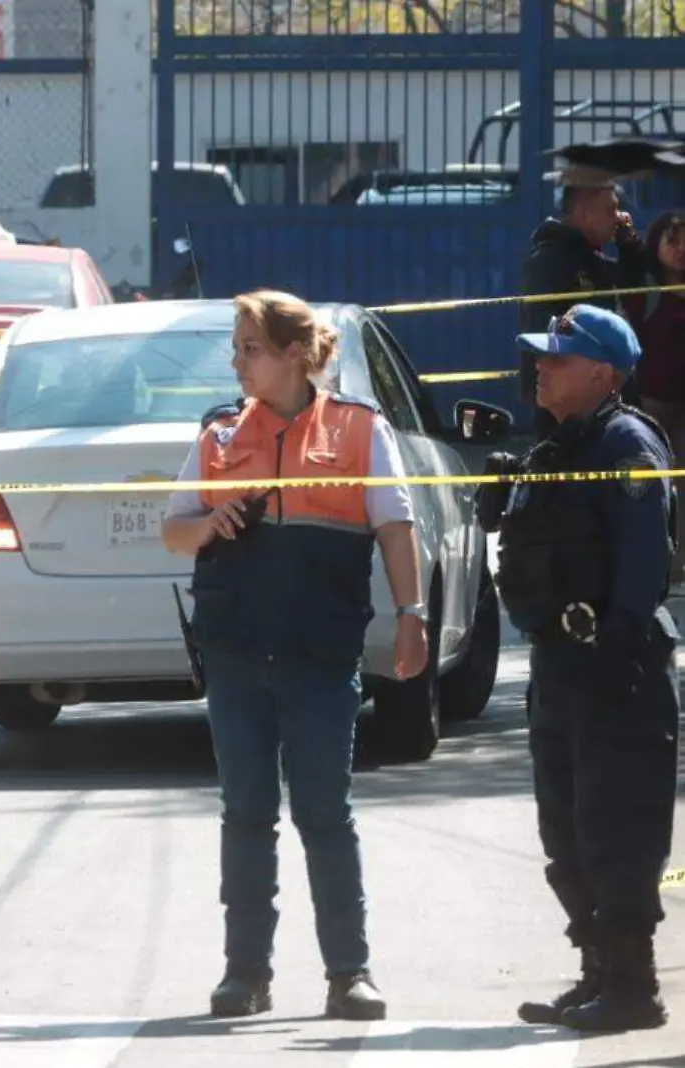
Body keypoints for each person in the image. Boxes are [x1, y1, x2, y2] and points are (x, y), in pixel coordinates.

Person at [160, 290, 428, 1021]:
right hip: (237, 653)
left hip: (319, 655)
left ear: (294, 355)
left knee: (324, 814)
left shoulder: (357, 429)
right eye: (237, 347)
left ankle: (350, 973)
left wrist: (413, 616)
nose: (237, 361)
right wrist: (209, 523)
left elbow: (396, 529)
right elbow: (172, 532)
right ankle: (245, 974)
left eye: (250, 347)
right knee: (245, 813)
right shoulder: (218, 435)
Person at [478, 305, 679, 1033]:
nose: (541, 368)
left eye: (558, 359)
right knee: (564, 831)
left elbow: (644, 558)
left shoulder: (625, 442)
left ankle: (633, 988)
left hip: (612, 666)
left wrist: (620, 648)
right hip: (559, 667)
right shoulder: (558, 446)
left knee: (615, 829)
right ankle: (598, 971)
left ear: (601, 371)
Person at [518, 177, 647, 435]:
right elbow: (544, 333)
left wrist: (628, 243)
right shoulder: (550, 260)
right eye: (610, 210)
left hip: (600, 399)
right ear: (585, 214)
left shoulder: (592, 259)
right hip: (567, 406)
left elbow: (632, 284)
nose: (619, 217)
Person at [621, 210, 685, 585]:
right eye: (673, 241)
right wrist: (628, 243)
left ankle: (677, 569)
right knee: (654, 484)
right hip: (651, 405)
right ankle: (653, 564)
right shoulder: (646, 291)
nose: (681, 250)